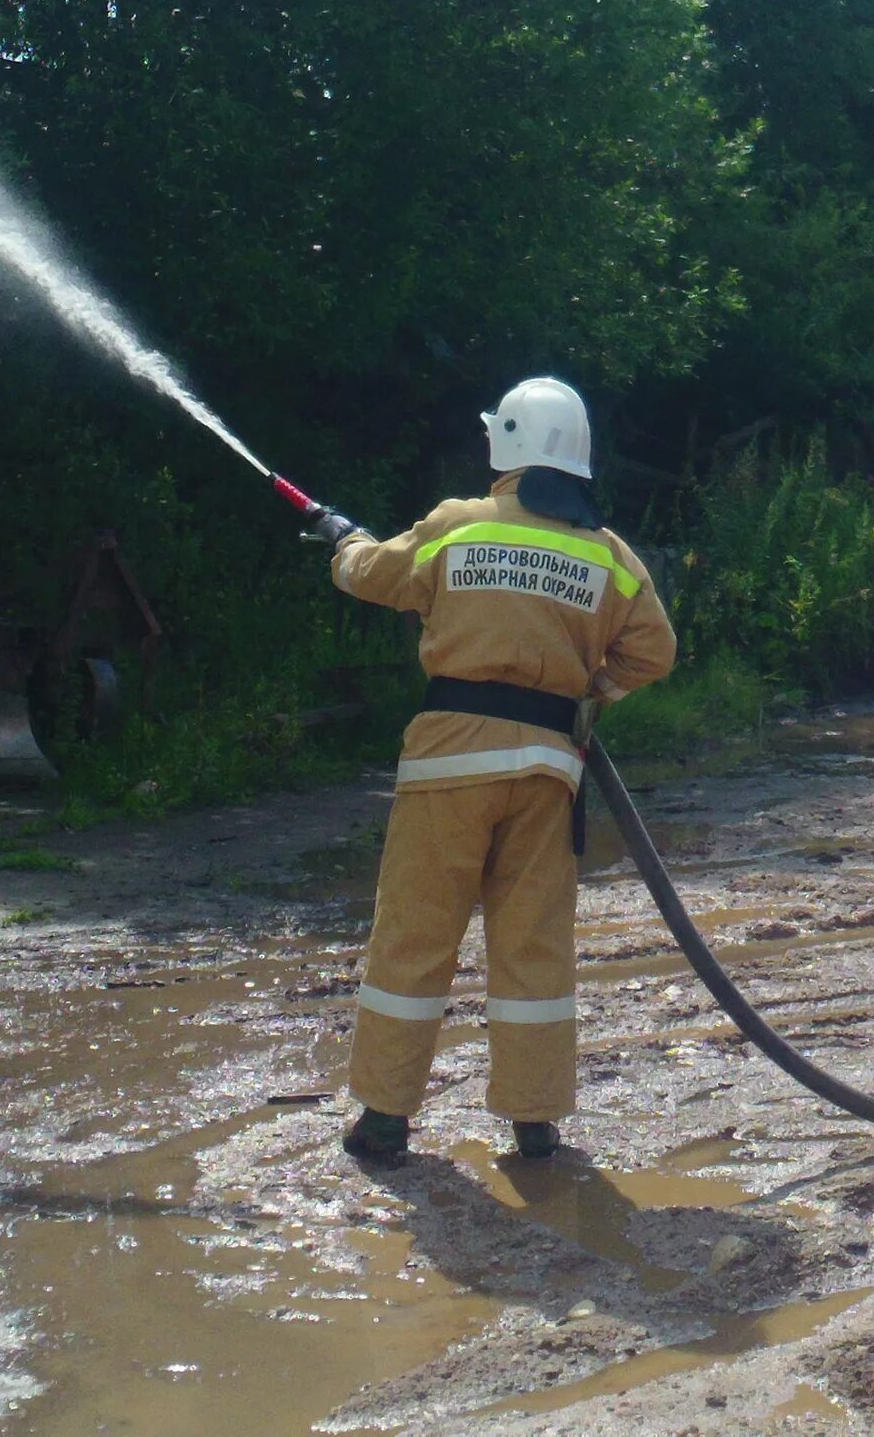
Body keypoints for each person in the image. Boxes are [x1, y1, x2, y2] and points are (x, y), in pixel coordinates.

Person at [305, 377, 677, 1168]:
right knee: (533, 947)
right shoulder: (608, 554)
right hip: (548, 772)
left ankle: (384, 1121)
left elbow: (374, 576)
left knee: (415, 937)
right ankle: (535, 1124)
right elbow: (656, 652)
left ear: (506, 441)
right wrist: (591, 697)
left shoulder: (456, 527)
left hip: (450, 766)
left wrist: (341, 545)